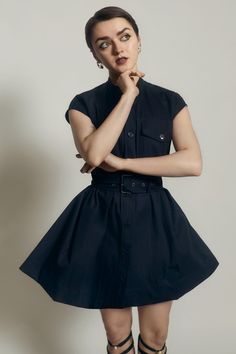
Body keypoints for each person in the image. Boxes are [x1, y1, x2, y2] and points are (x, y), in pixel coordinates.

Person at [19, 6, 219, 354]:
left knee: (155, 338)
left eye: (125, 37)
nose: (118, 48)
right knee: (117, 336)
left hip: (154, 219)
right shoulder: (84, 103)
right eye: (104, 44)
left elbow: (192, 162)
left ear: (139, 40)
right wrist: (128, 95)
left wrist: (124, 161)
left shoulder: (170, 102)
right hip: (101, 220)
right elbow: (95, 155)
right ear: (95, 54)